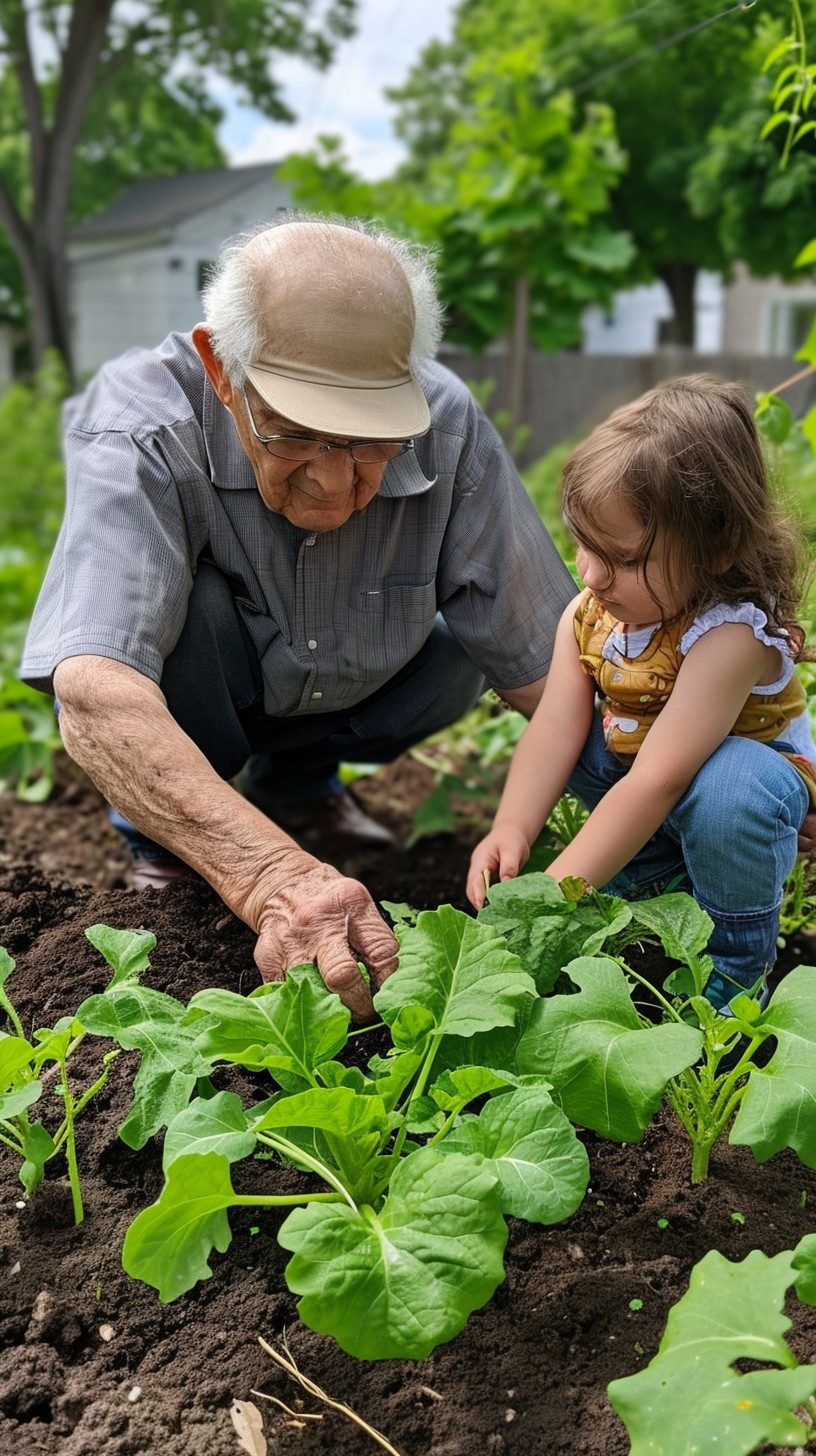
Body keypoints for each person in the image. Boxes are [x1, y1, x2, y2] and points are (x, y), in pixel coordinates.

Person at [20, 213, 576, 1019]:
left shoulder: (446, 422)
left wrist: (696, 779)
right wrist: (273, 878)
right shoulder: (141, 422)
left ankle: (301, 789)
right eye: (295, 435)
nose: (334, 482)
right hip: (209, 689)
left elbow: (557, 667)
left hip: (355, 687)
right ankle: (165, 837)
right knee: (183, 619)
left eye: (370, 443)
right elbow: (94, 689)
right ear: (222, 370)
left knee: (463, 641)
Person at [466, 374, 816, 1012]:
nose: (592, 574)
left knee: (729, 787)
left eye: (624, 559)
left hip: (743, 790)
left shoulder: (730, 635)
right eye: (583, 544)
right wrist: (511, 826)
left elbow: (658, 779)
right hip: (654, 778)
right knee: (576, 736)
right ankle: (657, 867)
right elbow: (553, 730)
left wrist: (549, 898)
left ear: (717, 548)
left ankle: (736, 969)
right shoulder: (591, 613)